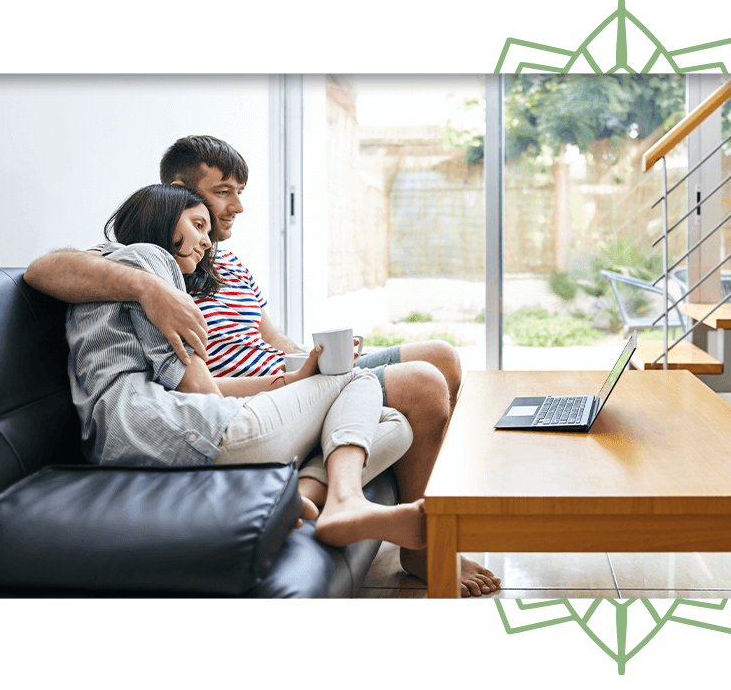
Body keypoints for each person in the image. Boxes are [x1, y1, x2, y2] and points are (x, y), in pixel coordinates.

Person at [25, 135, 500, 597]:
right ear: (179, 192)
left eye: (239, 194)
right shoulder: (148, 265)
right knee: (417, 385)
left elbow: (270, 341)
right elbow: (46, 271)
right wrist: (155, 290)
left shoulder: (221, 260)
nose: (234, 210)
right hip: (238, 402)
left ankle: (315, 494)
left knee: (433, 363)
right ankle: (381, 523)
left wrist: (315, 362)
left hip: (268, 390)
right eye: (221, 195)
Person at [67, 183, 424, 550]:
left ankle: (295, 496)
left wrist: (295, 381)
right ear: (163, 215)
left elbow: (186, 384)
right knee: (356, 376)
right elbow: (196, 388)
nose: (206, 242)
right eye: (198, 225)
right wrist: (281, 403)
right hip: (171, 433)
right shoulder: (148, 259)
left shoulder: (108, 272)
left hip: (139, 440)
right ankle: (344, 501)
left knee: (393, 424)